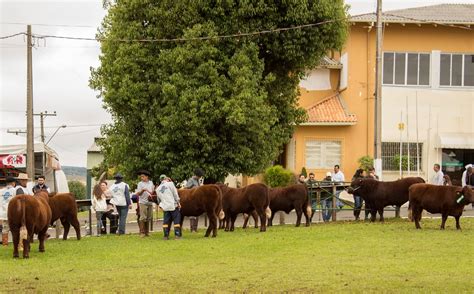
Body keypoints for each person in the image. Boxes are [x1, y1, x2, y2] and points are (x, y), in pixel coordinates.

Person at [156, 174, 181, 240]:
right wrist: (178, 202)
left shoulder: (158, 189)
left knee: (166, 221)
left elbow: (158, 200)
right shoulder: (170, 184)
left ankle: (165, 236)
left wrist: (161, 205)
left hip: (165, 206)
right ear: (166, 178)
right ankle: (177, 235)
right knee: (176, 220)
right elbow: (175, 194)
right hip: (173, 205)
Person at [135, 170, 154, 237]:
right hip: (142, 202)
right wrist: (142, 190)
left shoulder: (151, 183)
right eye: (141, 176)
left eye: (143, 176)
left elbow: (152, 191)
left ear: (147, 177)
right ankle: (142, 232)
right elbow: (138, 194)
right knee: (143, 217)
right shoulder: (140, 184)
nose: (141, 178)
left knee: (149, 217)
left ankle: (147, 232)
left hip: (150, 202)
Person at [185, 168, 204, 232]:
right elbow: (186, 188)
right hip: (191, 199)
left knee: (197, 213)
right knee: (192, 215)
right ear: (196, 175)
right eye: (199, 176)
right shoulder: (191, 180)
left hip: (197, 199)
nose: (200, 177)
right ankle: (192, 229)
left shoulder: (198, 181)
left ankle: (195, 228)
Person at [0, 177, 16, 246]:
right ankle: (16, 243)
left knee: (5, 229)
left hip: (3, 213)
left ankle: (5, 244)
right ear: (13, 183)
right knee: (14, 229)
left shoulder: (1, 190)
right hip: (12, 213)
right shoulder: (15, 190)